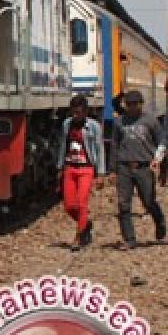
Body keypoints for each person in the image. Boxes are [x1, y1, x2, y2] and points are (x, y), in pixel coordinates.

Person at [111, 90, 168, 250]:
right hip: (124, 167)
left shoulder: (151, 121)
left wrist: (161, 163)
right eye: (129, 104)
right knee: (123, 204)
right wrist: (113, 170)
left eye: (135, 104)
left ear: (141, 104)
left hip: (144, 166)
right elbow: (114, 146)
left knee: (148, 201)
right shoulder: (119, 122)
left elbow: (162, 141)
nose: (132, 107)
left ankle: (160, 222)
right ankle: (129, 239)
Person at [55, 95, 105, 250]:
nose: (75, 116)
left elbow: (99, 148)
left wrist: (101, 173)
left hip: (86, 168)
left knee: (82, 203)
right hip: (70, 167)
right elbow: (63, 145)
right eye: (73, 113)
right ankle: (86, 223)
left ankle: (79, 236)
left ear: (85, 112)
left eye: (78, 113)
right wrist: (60, 167)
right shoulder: (66, 125)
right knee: (69, 205)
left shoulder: (94, 127)